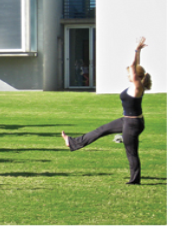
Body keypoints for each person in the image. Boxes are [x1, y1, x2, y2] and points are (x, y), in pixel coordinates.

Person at [62, 36, 153, 185]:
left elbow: (133, 65)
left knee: (131, 152)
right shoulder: (134, 86)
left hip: (133, 123)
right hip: (127, 120)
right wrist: (138, 54)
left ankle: (135, 180)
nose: (128, 74)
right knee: (101, 130)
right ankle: (73, 142)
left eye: (130, 73)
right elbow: (135, 67)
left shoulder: (137, 87)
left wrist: (137, 50)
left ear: (135, 75)